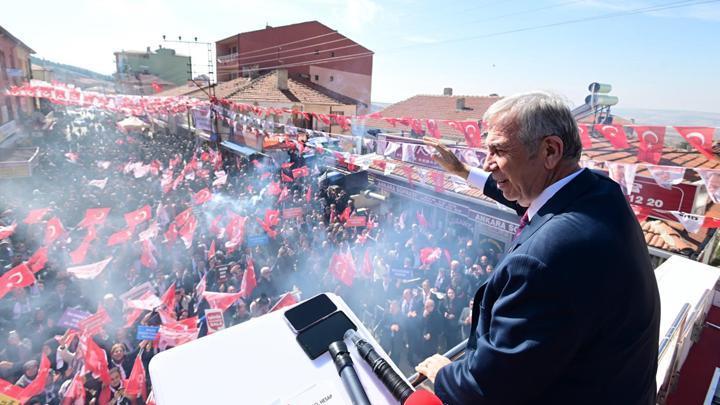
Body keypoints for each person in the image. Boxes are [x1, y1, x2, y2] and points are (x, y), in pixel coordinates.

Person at [417, 92, 660, 405]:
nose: (488, 163)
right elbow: (537, 206)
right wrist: (463, 171)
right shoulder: (598, 193)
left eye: (498, 150)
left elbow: (487, 391)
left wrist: (444, 375)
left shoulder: (544, 260)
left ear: (550, 150)